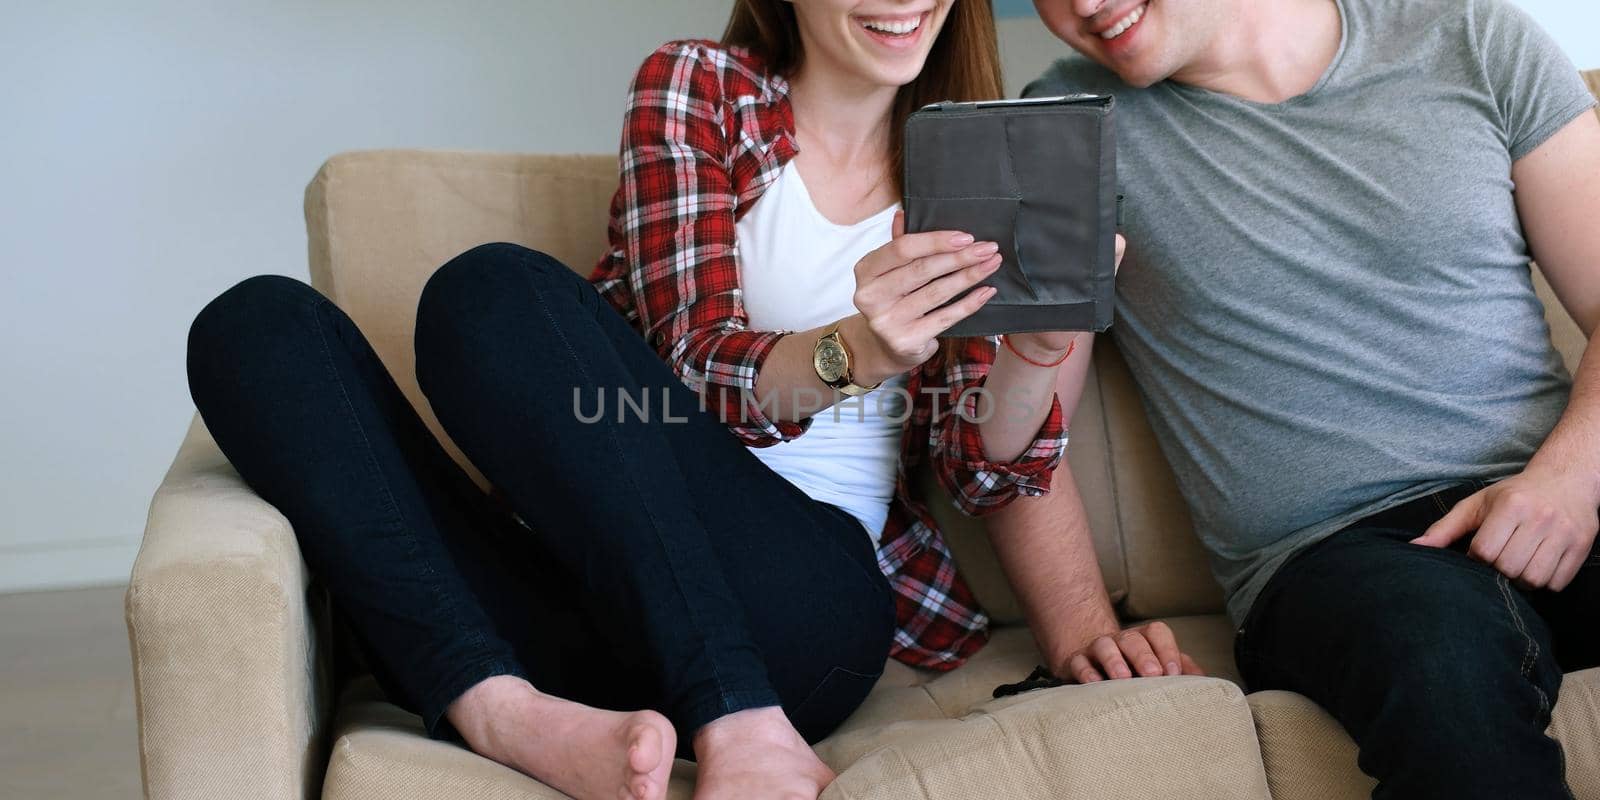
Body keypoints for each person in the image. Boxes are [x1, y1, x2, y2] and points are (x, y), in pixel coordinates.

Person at [185, 1, 1161, 798]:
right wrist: (855, 349)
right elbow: (685, 367)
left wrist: (1039, 350)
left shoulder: (972, 174)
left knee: (484, 287)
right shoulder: (700, 87)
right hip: (589, 591)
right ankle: (504, 710)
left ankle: (736, 713)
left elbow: (978, 462)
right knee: (265, 324)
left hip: (797, 611)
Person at [1010, 0, 1600, 795]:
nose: (1080, 4)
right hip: (1336, 557)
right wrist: (1079, 629)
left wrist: (1569, 479)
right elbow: (1016, 418)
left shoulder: (1472, 36)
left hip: (1549, 492)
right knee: (1437, 660)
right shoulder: (1061, 129)